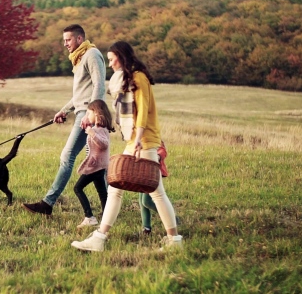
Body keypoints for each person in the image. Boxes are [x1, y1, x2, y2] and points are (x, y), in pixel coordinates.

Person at [71, 41, 183, 252]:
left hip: (144, 140)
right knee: (124, 189)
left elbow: (143, 111)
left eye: (112, 59)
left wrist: (138, 138)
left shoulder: (138, 78)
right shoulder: (127, 80)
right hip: (136, 139)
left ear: (122, 58)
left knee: (147, 192)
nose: (111, 64)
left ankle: (101, 238)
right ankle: (172, 240)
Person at [23, 24, 106, 216]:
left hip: (88, 114)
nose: (65, 44)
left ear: (79, 39)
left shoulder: (92, 54)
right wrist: (64, 110)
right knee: (95, 163)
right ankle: (110, 204)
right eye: (64, 40)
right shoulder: (79, 59)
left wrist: (89, 114)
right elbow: (80, 94)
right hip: (82, 112)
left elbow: (99, 87)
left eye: (68, 40)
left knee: (67, 156)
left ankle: (47, 203)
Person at [73, 100, 114, 228]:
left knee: (77, 188)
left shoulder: (99, 129)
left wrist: (91, 132)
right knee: (102, 191)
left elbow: (104, 144)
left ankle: (89, 217)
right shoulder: (100, 129)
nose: (87, 115)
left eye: (89, 113)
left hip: (95, 167)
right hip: (99, 166)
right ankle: (108, 216)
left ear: (96, 113)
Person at [140, 141, 169, 235]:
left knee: (146, 201)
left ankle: (171, 217)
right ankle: (146, 229)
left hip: (153, 172)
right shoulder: (138, 138)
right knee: (141, 202)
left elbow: (162, 151)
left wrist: (158, 156)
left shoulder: (153, 136)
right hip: (141, 172)